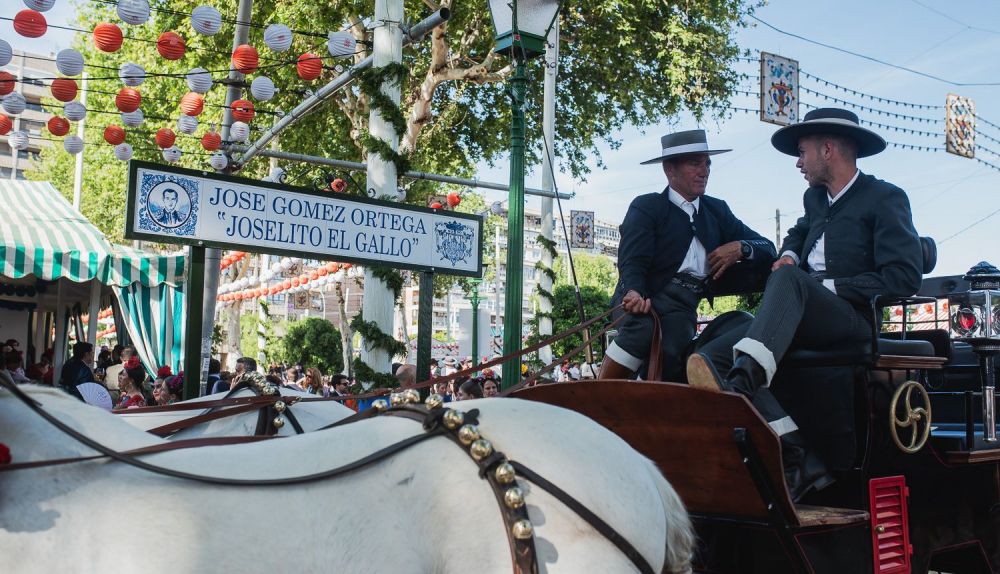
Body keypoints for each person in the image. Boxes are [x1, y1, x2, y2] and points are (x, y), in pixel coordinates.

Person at [686, 108, 923, 502]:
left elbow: (903, 277)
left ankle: (743, 387)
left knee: (787, 284)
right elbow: (796, 235)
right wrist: (791, 255)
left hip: (851, 320)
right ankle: (797, 453)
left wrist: (823, 284)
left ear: (827, 149)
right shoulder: (816, 200)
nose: (798, 163)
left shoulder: (885, 198)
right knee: (714, 353)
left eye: (802, 152)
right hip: (801, 313)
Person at [599, 129, 776, 382]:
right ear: (670, 170)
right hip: (645, 298)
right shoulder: (647, 206)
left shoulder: (718, 211)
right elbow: (632, 260)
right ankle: (599, 392)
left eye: (708, 163)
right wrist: (633, 292)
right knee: (643, 329)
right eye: (695, 163)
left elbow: (767, 246)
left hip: (683, 308)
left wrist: (741, 248)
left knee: (677, 361)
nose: (705, 171)